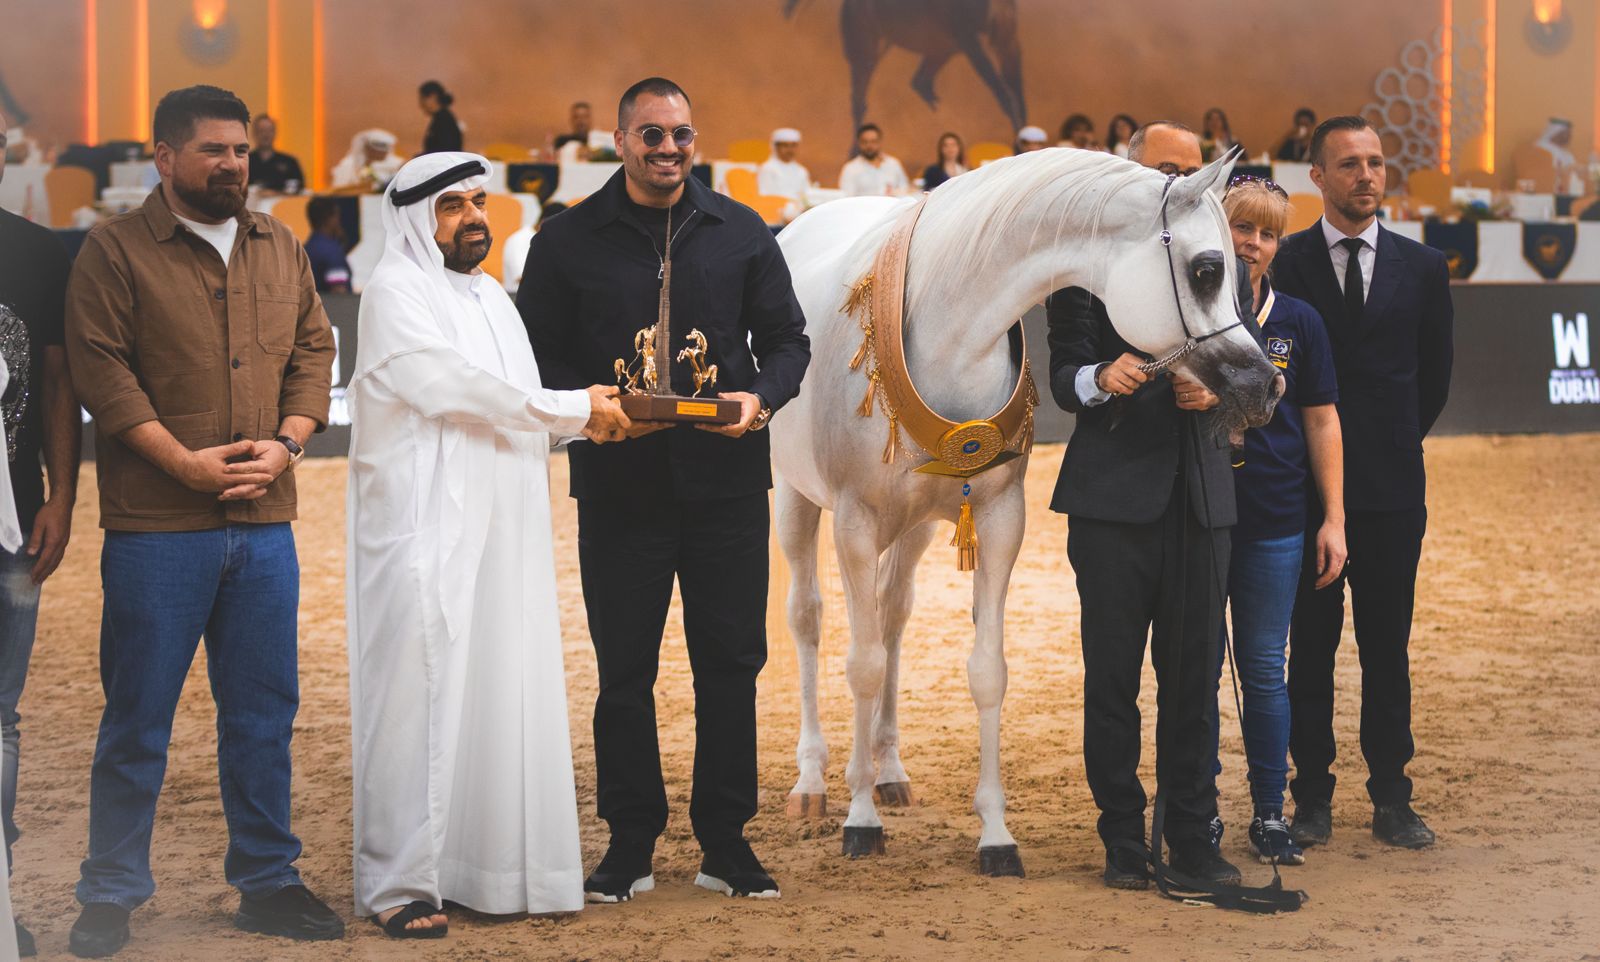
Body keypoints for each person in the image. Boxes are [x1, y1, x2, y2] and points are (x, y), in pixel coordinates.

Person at [62, 84, 340, 957]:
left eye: (241, 150)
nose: (232, 164)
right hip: (156, 528)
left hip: (265, 524)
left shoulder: (278, 244)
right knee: (137, 718)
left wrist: (288, 444)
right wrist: (182, 463)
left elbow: (314, 350)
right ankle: (111, 891)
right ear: (165, 157)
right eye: (213, 149)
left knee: (263, 715)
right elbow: (101, 371)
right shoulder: (113, 250)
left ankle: (269, 881)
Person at [518, 76, 810, 903]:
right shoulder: (565, 240)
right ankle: (629, 841)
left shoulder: (742, 230)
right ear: (621, 141)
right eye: (651, 134)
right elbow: (535, 356)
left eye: (680, 134)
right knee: (624, 672)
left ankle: (727, 841)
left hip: (728, 488)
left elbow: (789, 341)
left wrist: (760, 400)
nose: (669, 149)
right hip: (619, 488)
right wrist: (590, 408)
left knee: (732, 665)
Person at [347, 151, 629, 940]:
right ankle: (400, 884)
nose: (474, 218)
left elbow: (516, 405)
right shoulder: (396, 291)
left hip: (504, 527)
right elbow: (453, 389)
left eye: (478, 202)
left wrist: (588, 419)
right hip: (424, 527)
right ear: (414, 220)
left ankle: (493, 872)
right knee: (416, 696)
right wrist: (577, 409)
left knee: (502, 682)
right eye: (452, 206)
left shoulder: (492, 299)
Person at [1047, 120, 1251, 891]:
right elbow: (1063, 374)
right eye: (1167, 168)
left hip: (1201, 499)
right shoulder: (1083, 268)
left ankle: (1194, 837)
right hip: (1110, 504)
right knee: (1112, 685)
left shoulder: (1219, 259)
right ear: (1129, 173)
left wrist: (1220, 393)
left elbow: (1250, 369)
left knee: (1195, 684)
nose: (1183, 182)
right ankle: (1123, 842)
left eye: (1193, 170)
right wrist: (1101, 378)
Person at [1272, 115, 1453, 852]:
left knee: (1387, 649)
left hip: (1391, 492)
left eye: (1375, 162)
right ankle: (1311, 797)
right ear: (1316, 176)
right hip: (1301, 493)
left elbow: (1434, 380)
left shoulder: (1425, 267)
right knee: (1309, 650)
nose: (1367, 176)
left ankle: (1392, 798)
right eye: (1349, 164)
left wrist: (1388, 447)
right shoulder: (1284, 263)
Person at [1207, 176, 1344, 866]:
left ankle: (1269, 813)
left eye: (1267, 233)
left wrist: (1334, 518)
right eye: (1241, 227)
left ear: (1278, 246)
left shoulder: (1299, 320)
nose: (1252, 244)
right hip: (1202, 516)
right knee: (1199, 670)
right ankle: (1198, 813)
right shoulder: (1188, 313)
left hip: (1276, 518)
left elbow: (1321, 420)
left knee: (1264, 668)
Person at [0, 103, 80, 959]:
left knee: (0, 720)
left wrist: (60, 496)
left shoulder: (34, 251)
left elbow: (58, 380)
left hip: (14, 527)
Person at [838, 123, 909, 197]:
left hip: (892, 203)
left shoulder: (893, 164)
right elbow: (847, 197)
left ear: (879, 142)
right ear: (859, 143)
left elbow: (904, 189)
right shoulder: (850, 168)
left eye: (873, 141)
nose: (869, 146)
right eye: (865, 142)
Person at [302, 196, 351, 293]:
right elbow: (339, 292)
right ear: (329, 219)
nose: (339, 222)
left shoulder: (304, 249)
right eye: (337, 216)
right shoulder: (332, 252)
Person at [247, 114, 304, 194]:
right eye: (262, 130)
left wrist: (275, 193)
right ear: (254, 133)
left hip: (282, 202)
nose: (266, 135)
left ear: (275, 132)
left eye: (269, 130)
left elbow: (299, 189)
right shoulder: (245, 161)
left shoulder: (290, 162)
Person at [331, 129, 403, 191]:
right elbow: (339, 189)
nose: (385, 153)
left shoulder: (394, 164)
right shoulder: (348, 165)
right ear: (368, 149)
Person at [1531, 118, 1586, 195]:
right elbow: (1549, 171)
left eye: (1570, 133)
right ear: (1556, 133)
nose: (1570, 136)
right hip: (1547, 189)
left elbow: (1574, 170)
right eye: (1567, 133)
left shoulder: (1566, 153)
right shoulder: (1541, 147)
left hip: (1566, 189)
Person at [757, 127, 810, 202]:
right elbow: (765, 196)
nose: (790, 150)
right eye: (785, 145)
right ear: (776, 147)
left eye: (793, 146)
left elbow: (806, 195)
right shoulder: (768, 168)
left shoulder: (801, 171)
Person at [418, 80, 463, 155]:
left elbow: (445, 151)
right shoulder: (440, 118)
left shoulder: (444, 120)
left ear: (433, 97)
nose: (421, 104)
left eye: (422, 98)